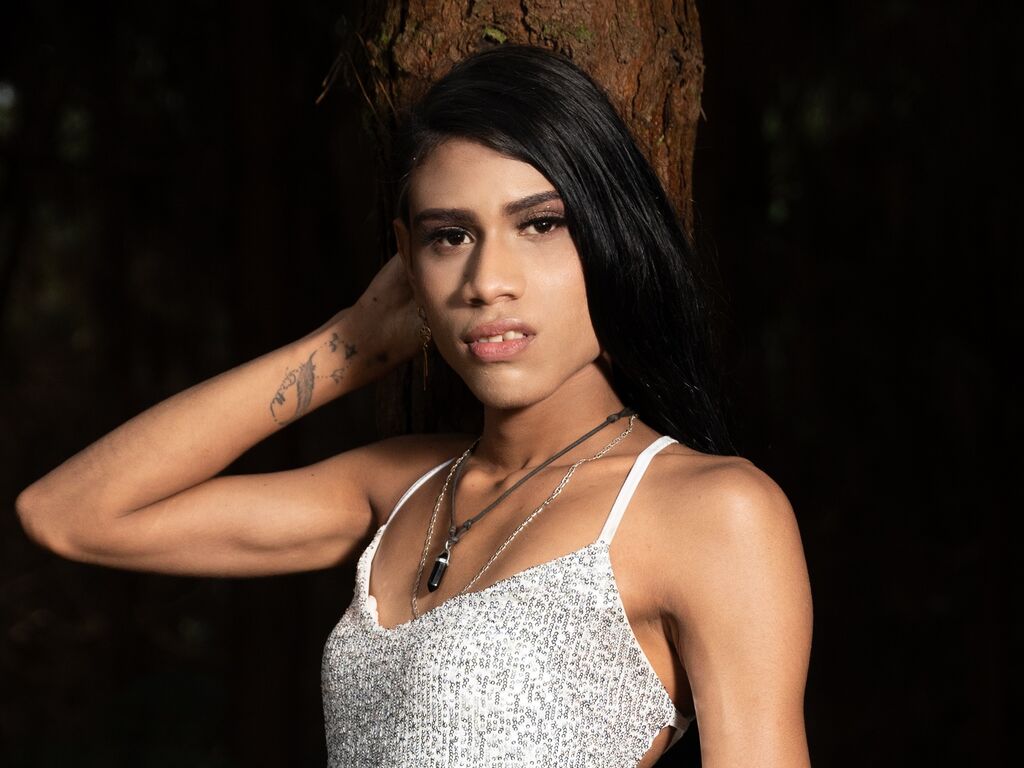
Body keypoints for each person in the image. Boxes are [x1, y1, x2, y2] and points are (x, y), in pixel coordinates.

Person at [16, 44, 812, 767]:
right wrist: (352, 342)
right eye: (449, 237)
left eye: (540, 224)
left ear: (610, 237)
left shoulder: (712, 512)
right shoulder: (399, 490)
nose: (487, 283)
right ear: (406, 259)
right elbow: (68, 514)